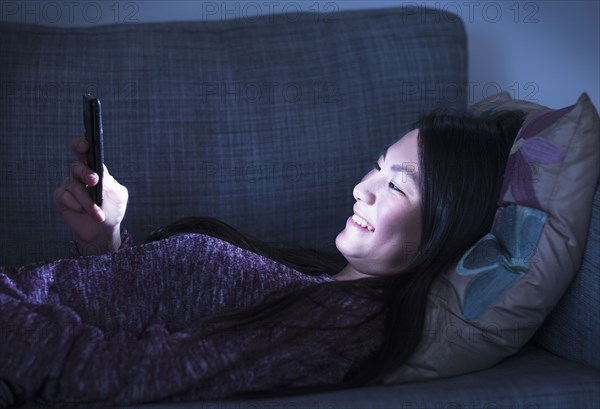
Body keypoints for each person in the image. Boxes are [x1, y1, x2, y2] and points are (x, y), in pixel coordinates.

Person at [0, 110, 525, 407]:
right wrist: (104, 242)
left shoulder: (342, 326)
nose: (362, 189)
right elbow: (149, 313)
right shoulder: (319, 282)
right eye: (376, 167)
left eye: (397, 187)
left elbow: (116, 374)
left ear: (446, 228)